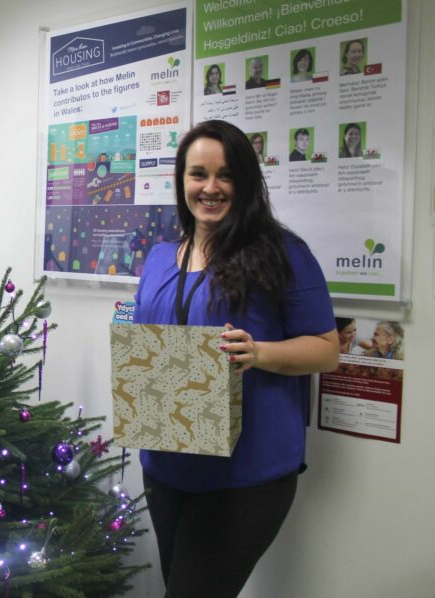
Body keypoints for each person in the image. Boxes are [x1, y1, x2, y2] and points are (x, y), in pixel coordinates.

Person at [133, 119, 338, 597]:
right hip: (165, 464)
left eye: (225, 175)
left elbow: (327, 350)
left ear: (245, 181)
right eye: (197, 174)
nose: (210, 187)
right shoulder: (163, 256)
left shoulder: (282, 252)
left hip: (245, 475)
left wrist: (259, 352)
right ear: (181, 180)